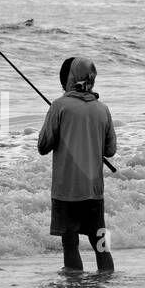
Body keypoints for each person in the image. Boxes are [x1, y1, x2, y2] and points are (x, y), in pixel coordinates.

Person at [37, 56, 116, 272]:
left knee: (70, 243)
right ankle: (106, 283)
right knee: (101, 244)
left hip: (67, 190)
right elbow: (110, 150)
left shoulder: (59, 106)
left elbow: (43, 146)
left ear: (70, 79)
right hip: (94, 191)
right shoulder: (102, 109)